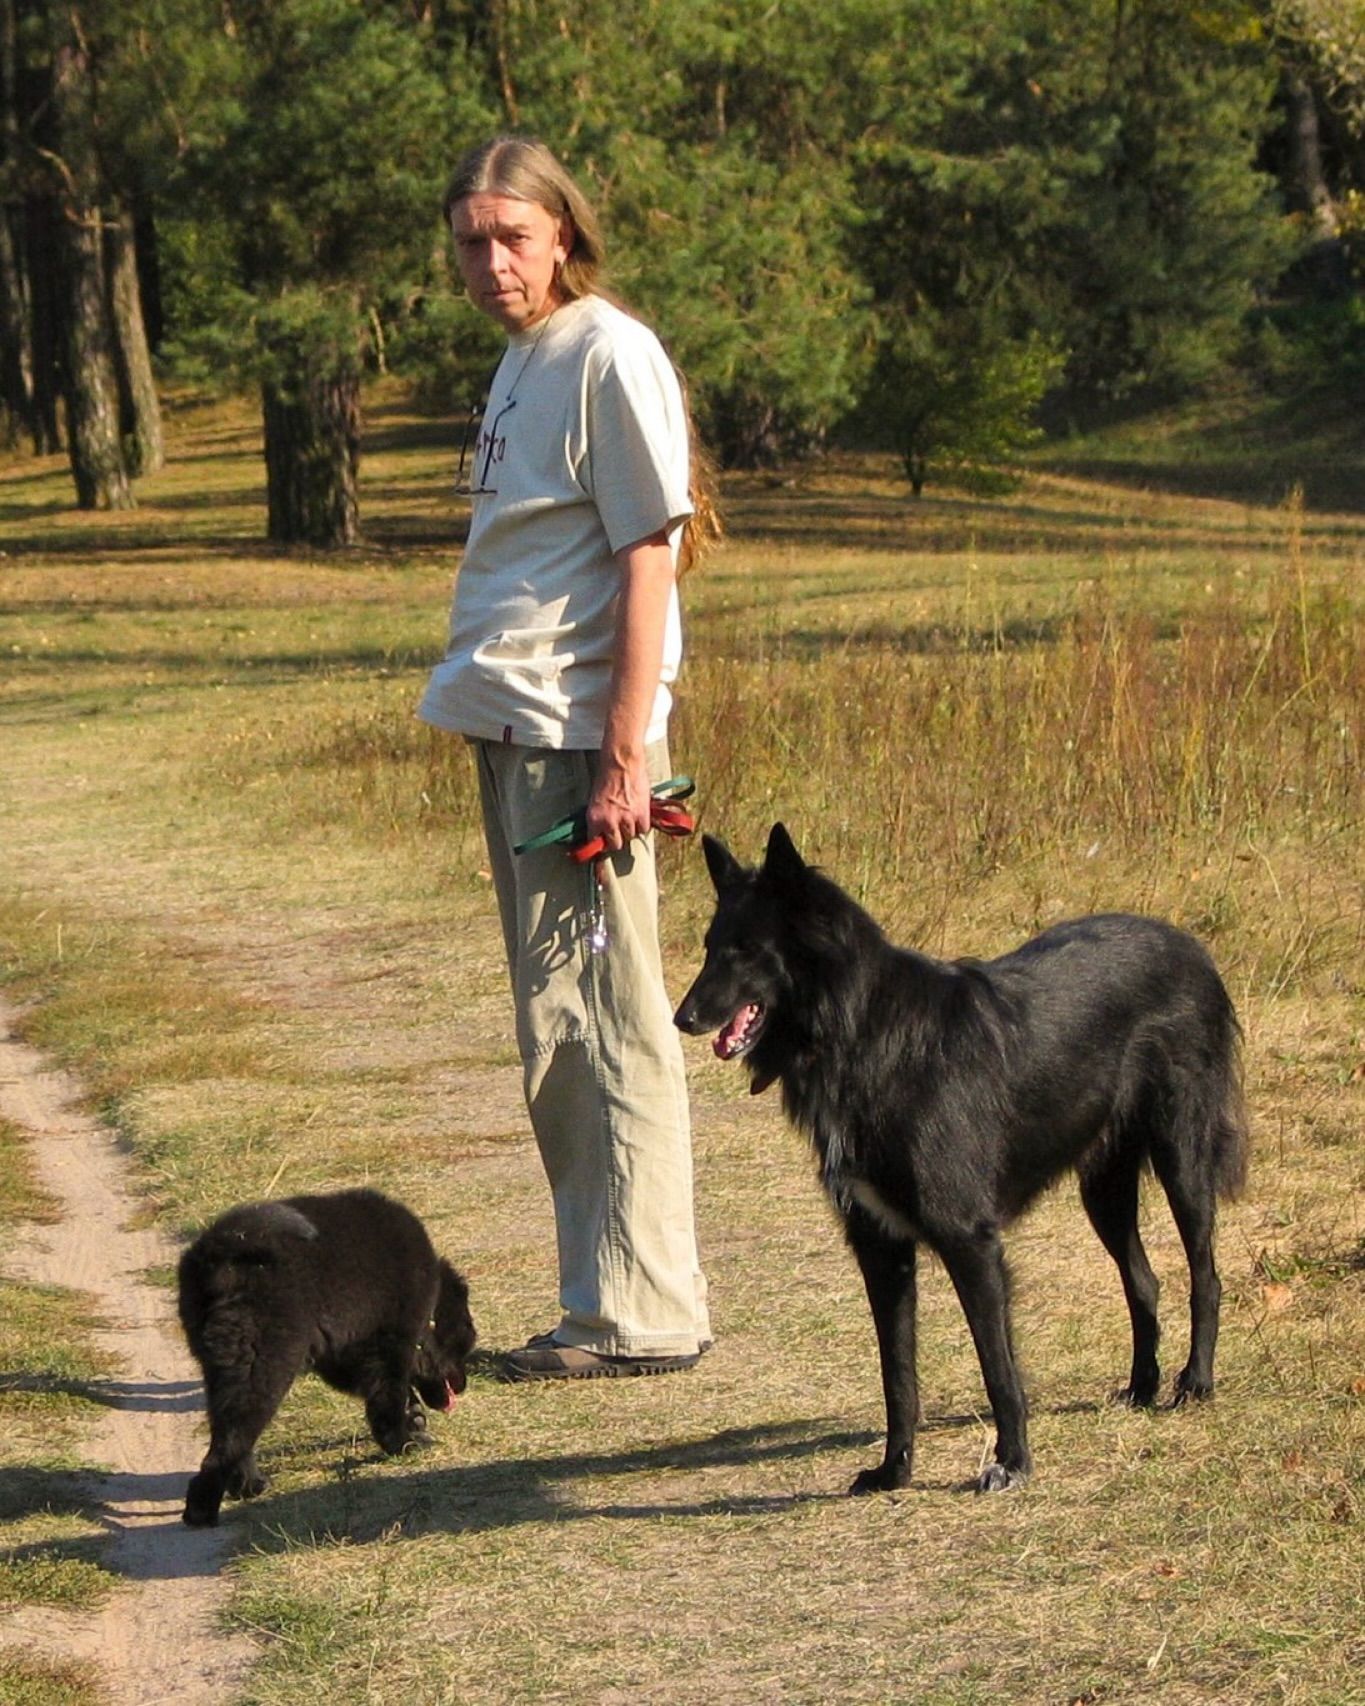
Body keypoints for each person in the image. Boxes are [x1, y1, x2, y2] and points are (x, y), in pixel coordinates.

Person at [419, 136, 715, 1380]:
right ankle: (603, 1295)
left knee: (602, 1018)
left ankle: (639, 1311)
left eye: (514, 238)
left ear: (564, 235)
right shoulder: (521, 361)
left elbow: (650, 549)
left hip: (574, 744)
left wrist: (622, 755)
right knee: (559, 1025)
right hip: (516, 728)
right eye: (473, 241)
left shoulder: (606, 350)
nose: (493, 263)